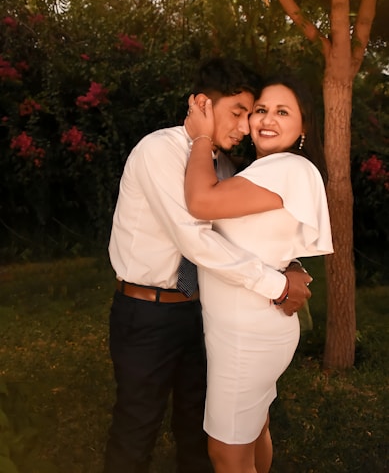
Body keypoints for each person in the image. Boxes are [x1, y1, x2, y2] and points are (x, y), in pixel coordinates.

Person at [103, 58, 313, 473]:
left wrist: (291, 265)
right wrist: (275, 285)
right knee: (137, 426)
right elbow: (195, 241)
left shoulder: (222, 168)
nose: (243, 126)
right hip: (147, 313)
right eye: (237, 112)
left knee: (198, 428)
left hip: (201, 313)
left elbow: (247, 235)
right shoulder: (158, 151)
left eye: (247, 115)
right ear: (201, 104)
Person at [183, 75, 334, 473]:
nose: (267, 119)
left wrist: (201, 137)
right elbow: (275, 241)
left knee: (226, 453)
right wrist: (293, 267)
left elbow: (200, 201)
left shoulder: (286, 168)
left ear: (304, 127)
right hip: (254, 328)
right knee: (253, 432)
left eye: (283, 112)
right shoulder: (269, 170)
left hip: (245, 339)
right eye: (261, 110)